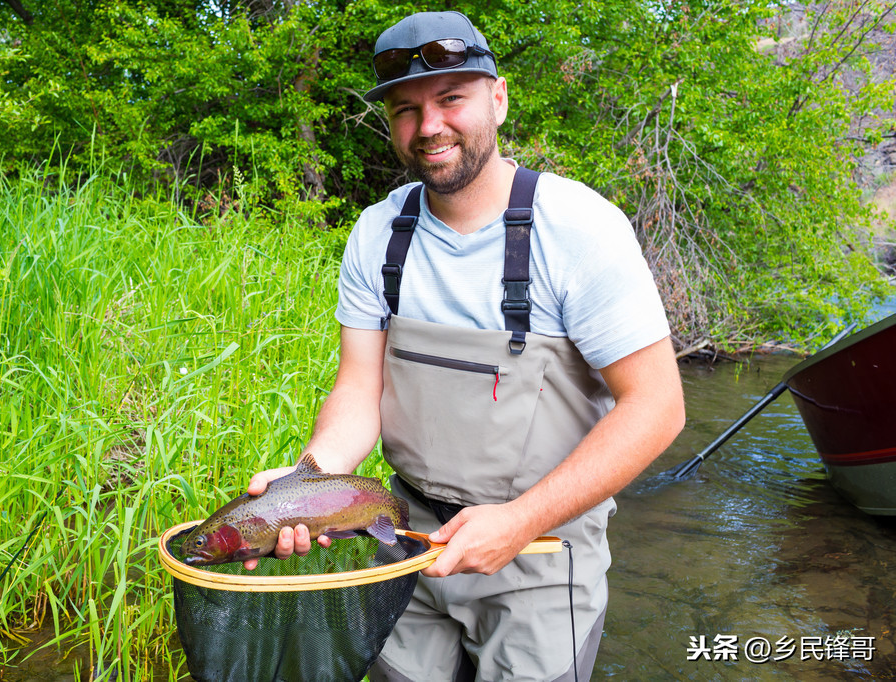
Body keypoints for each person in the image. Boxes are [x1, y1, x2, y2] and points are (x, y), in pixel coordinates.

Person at [245, 10, 685, 681]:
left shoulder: (579, 229)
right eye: (405, 109)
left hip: (541, 548)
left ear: (497, 98)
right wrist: (307, 483)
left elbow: (656, 407)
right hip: (403, 538)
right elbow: (359, 390)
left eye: (451, 99)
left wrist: (518, 519)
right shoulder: (376, 232)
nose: (428, 128)